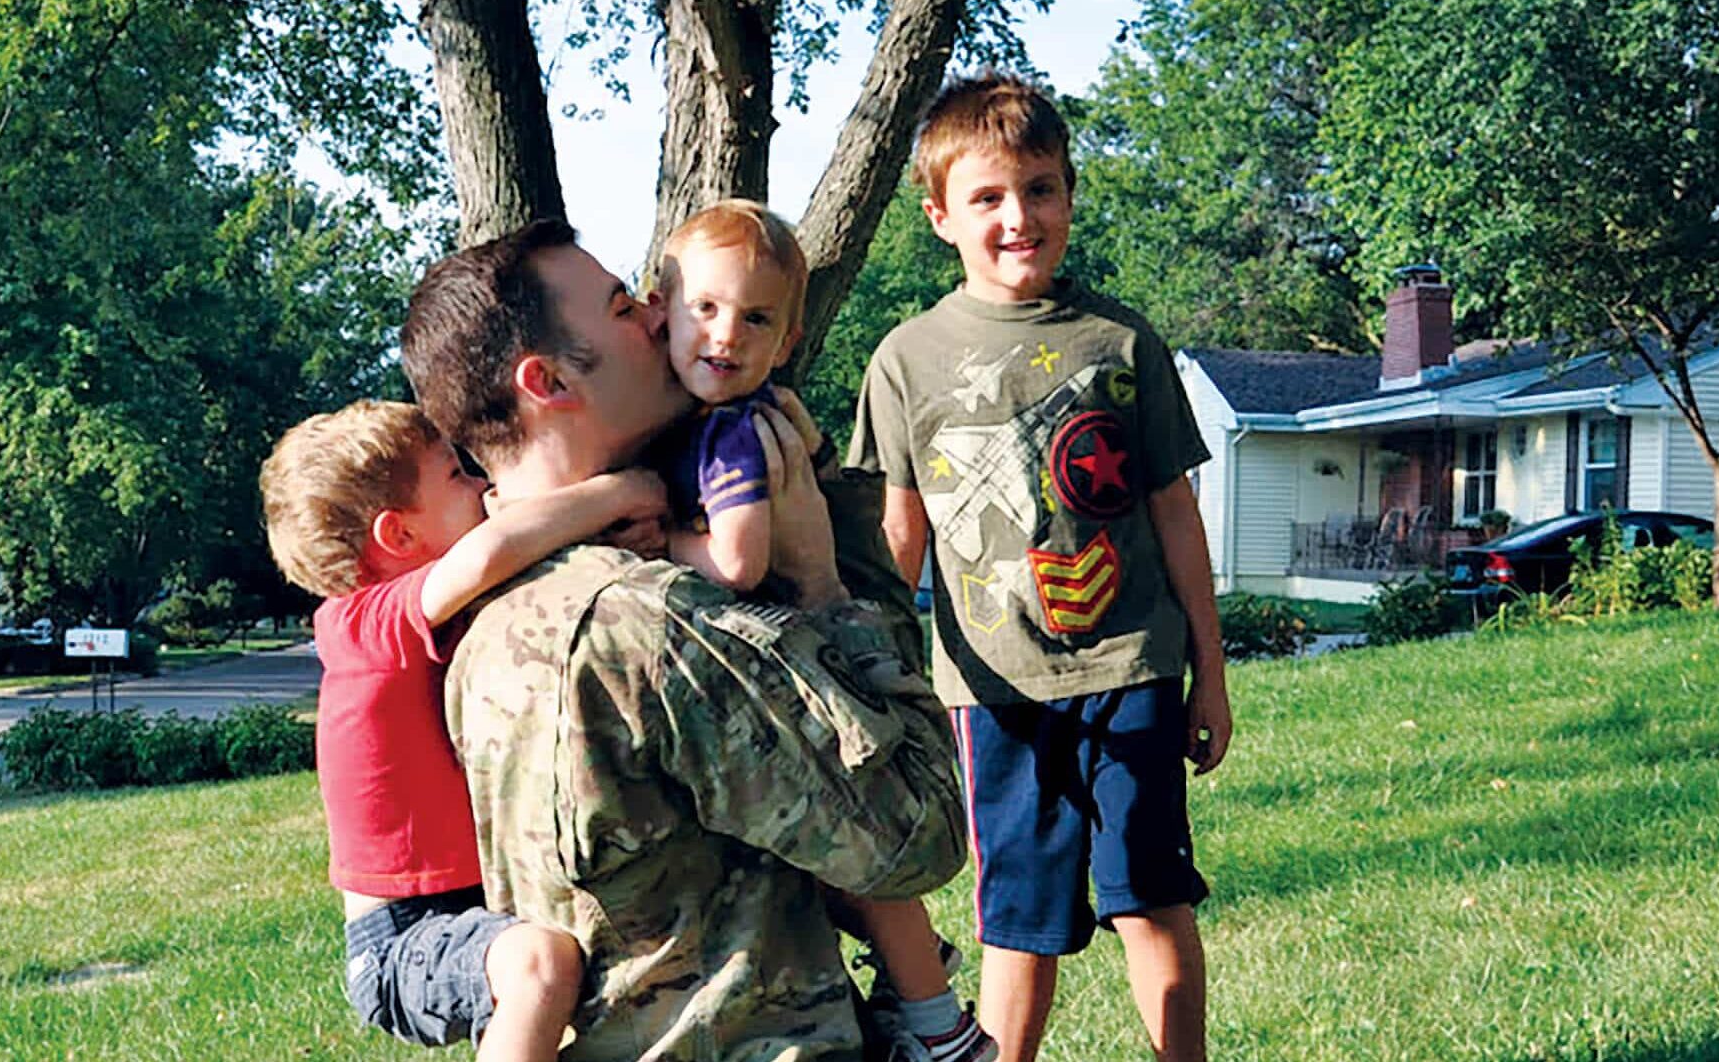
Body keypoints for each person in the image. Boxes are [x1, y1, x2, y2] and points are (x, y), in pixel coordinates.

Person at [398, 218, 968, 1061]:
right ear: (547, 380)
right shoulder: (653, 622)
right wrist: (823, 580)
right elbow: (916, 832)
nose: (663, 316)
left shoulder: (486, 607)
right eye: (626, 306)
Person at [846, 72, 1234, 1062]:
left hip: (1132, 674)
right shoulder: (904, 359)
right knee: (1015, 927)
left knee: (1153, 909)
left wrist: (1210, 674)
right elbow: (899, 537)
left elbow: (1174, 512)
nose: (1017, 216)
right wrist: (871, 679)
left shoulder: (1119, 339)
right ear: (938, 215)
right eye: (986, 197)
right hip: (993, 695)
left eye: (1040, 188)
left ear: (1066, 194)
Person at [652, 198, 996, 1062]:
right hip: (792, 650)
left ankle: (935, 1019)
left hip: (811, 648)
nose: (724, 334)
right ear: (658, 305)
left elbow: (733, 561)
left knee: (850, 836)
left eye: (755, 318)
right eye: (703, 308)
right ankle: (917, 984)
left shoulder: (732, 431)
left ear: (787, 339)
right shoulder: (709, 420)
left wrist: (655, 542)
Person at [260, 399, 667, 1060]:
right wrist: (621, 491)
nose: (482, 484)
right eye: (456, 475)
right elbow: (491, 552)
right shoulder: (360, 623)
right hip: (399, 937)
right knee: (540, 965)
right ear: (397, 536)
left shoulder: (434, 611)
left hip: (476, 897)